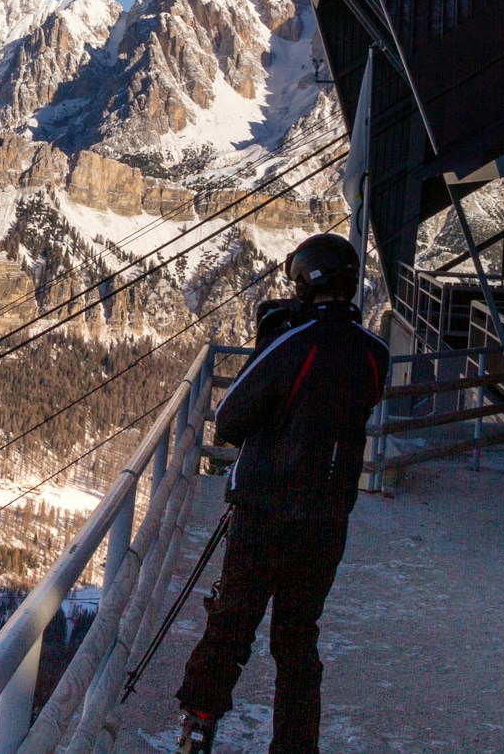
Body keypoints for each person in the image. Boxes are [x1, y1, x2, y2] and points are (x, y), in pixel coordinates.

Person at [177, 233, 388, 754]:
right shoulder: (374, 354)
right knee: (297, 640)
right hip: (327, 521)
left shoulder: (294, 343)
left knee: (232, 624)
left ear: (304, 283)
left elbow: (228, 422)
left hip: (264, 514)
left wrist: (267, 348)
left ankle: (197, 729)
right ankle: (295, 746)